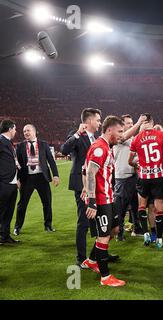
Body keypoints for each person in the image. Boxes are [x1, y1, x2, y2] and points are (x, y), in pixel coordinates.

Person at [61, 108, 112, 268]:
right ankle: (81, 259)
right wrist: (77, 133)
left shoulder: (96, 139)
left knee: (100, 222)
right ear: (89, 121)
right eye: (98, 119)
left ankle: (99, 254)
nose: (99, 123)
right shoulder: (77, 135)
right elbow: (64, 150)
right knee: (83, 221)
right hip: (81, 185)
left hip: (97, 186)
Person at [82, 116, 126, 287]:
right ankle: (105, 277)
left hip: (108, 197)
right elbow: (91, 172)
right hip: (100, 200)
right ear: (109, 130)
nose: (122, 135)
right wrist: (92, 201)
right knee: (104, 236)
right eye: (120, 131)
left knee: (114, 228)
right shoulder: (100, 148)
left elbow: (85, 171)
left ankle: (92, 260)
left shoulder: (107, 146)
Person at [128, 114, 163, 249]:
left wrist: (138, 164)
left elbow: (130, 161)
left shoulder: (136, 139)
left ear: (142, 123)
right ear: (152, 123)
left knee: (142, 206)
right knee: (159, 208)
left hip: (143, 177)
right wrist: (158, 163)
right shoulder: (160, 135)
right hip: (157, 177)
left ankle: (146, 233)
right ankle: (159, 239)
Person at [14, 124, 59, 235]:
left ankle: (48, 225)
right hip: (27, 178)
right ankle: (17, 227)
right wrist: (17, 178)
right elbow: (17, 164)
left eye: (28, 130)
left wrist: (56, 175)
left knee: (47, 202)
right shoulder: (20, 146)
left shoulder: (44, 145)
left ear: (34, 131)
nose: (26, 133)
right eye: (24, 131)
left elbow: (51, 161)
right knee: (22, 204)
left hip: (41, 177)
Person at [113, 114, 148, 241]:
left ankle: (136, 228)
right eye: (128, 123)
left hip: (134, 175)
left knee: (135, 205)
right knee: (121, 207)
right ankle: (119, 232)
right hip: (122, 177)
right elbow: (124, 136)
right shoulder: (119, 137)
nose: (131, 125)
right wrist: (139, 123)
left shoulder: (133, 139)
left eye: (132, 122)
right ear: (122, 125)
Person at [0, 120, 20, 244]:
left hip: (12, 183)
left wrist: (16, 178)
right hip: (4, 182)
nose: (15, 131)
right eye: (15, 129)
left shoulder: (8, 142)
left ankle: (5, 236)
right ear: (10, 129)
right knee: (2, 211)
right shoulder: (1, 141)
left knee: (8, 212)